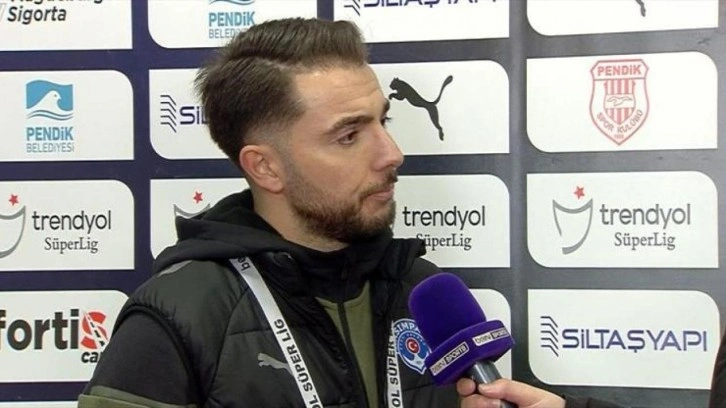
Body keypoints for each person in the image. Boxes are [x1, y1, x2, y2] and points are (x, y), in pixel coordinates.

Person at [77, 17, 626, 408]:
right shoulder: (180, 316)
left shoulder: (421, 291)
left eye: (383, 121)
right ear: (266, 167)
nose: (392, 154)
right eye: (348, 136)